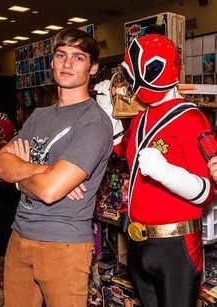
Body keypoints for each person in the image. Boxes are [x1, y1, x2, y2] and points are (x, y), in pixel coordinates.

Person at [90, 34, 215, 307]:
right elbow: (122, 152)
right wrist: (108, 115)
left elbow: (206, 190)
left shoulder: (191, 119)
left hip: (176, 247)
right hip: (138, 242)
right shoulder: (141, 118)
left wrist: (166, 172)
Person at [0, 27, 113, 307]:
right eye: (61, 55)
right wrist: (45, 169)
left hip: (64, 243)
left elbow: (49, 192)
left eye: (78, 57)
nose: (68, 64)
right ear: (52, 62)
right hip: (19, 235)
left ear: (93, 68)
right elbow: (0, 165)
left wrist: (21, 174)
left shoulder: (93, 123)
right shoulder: (39, 115)